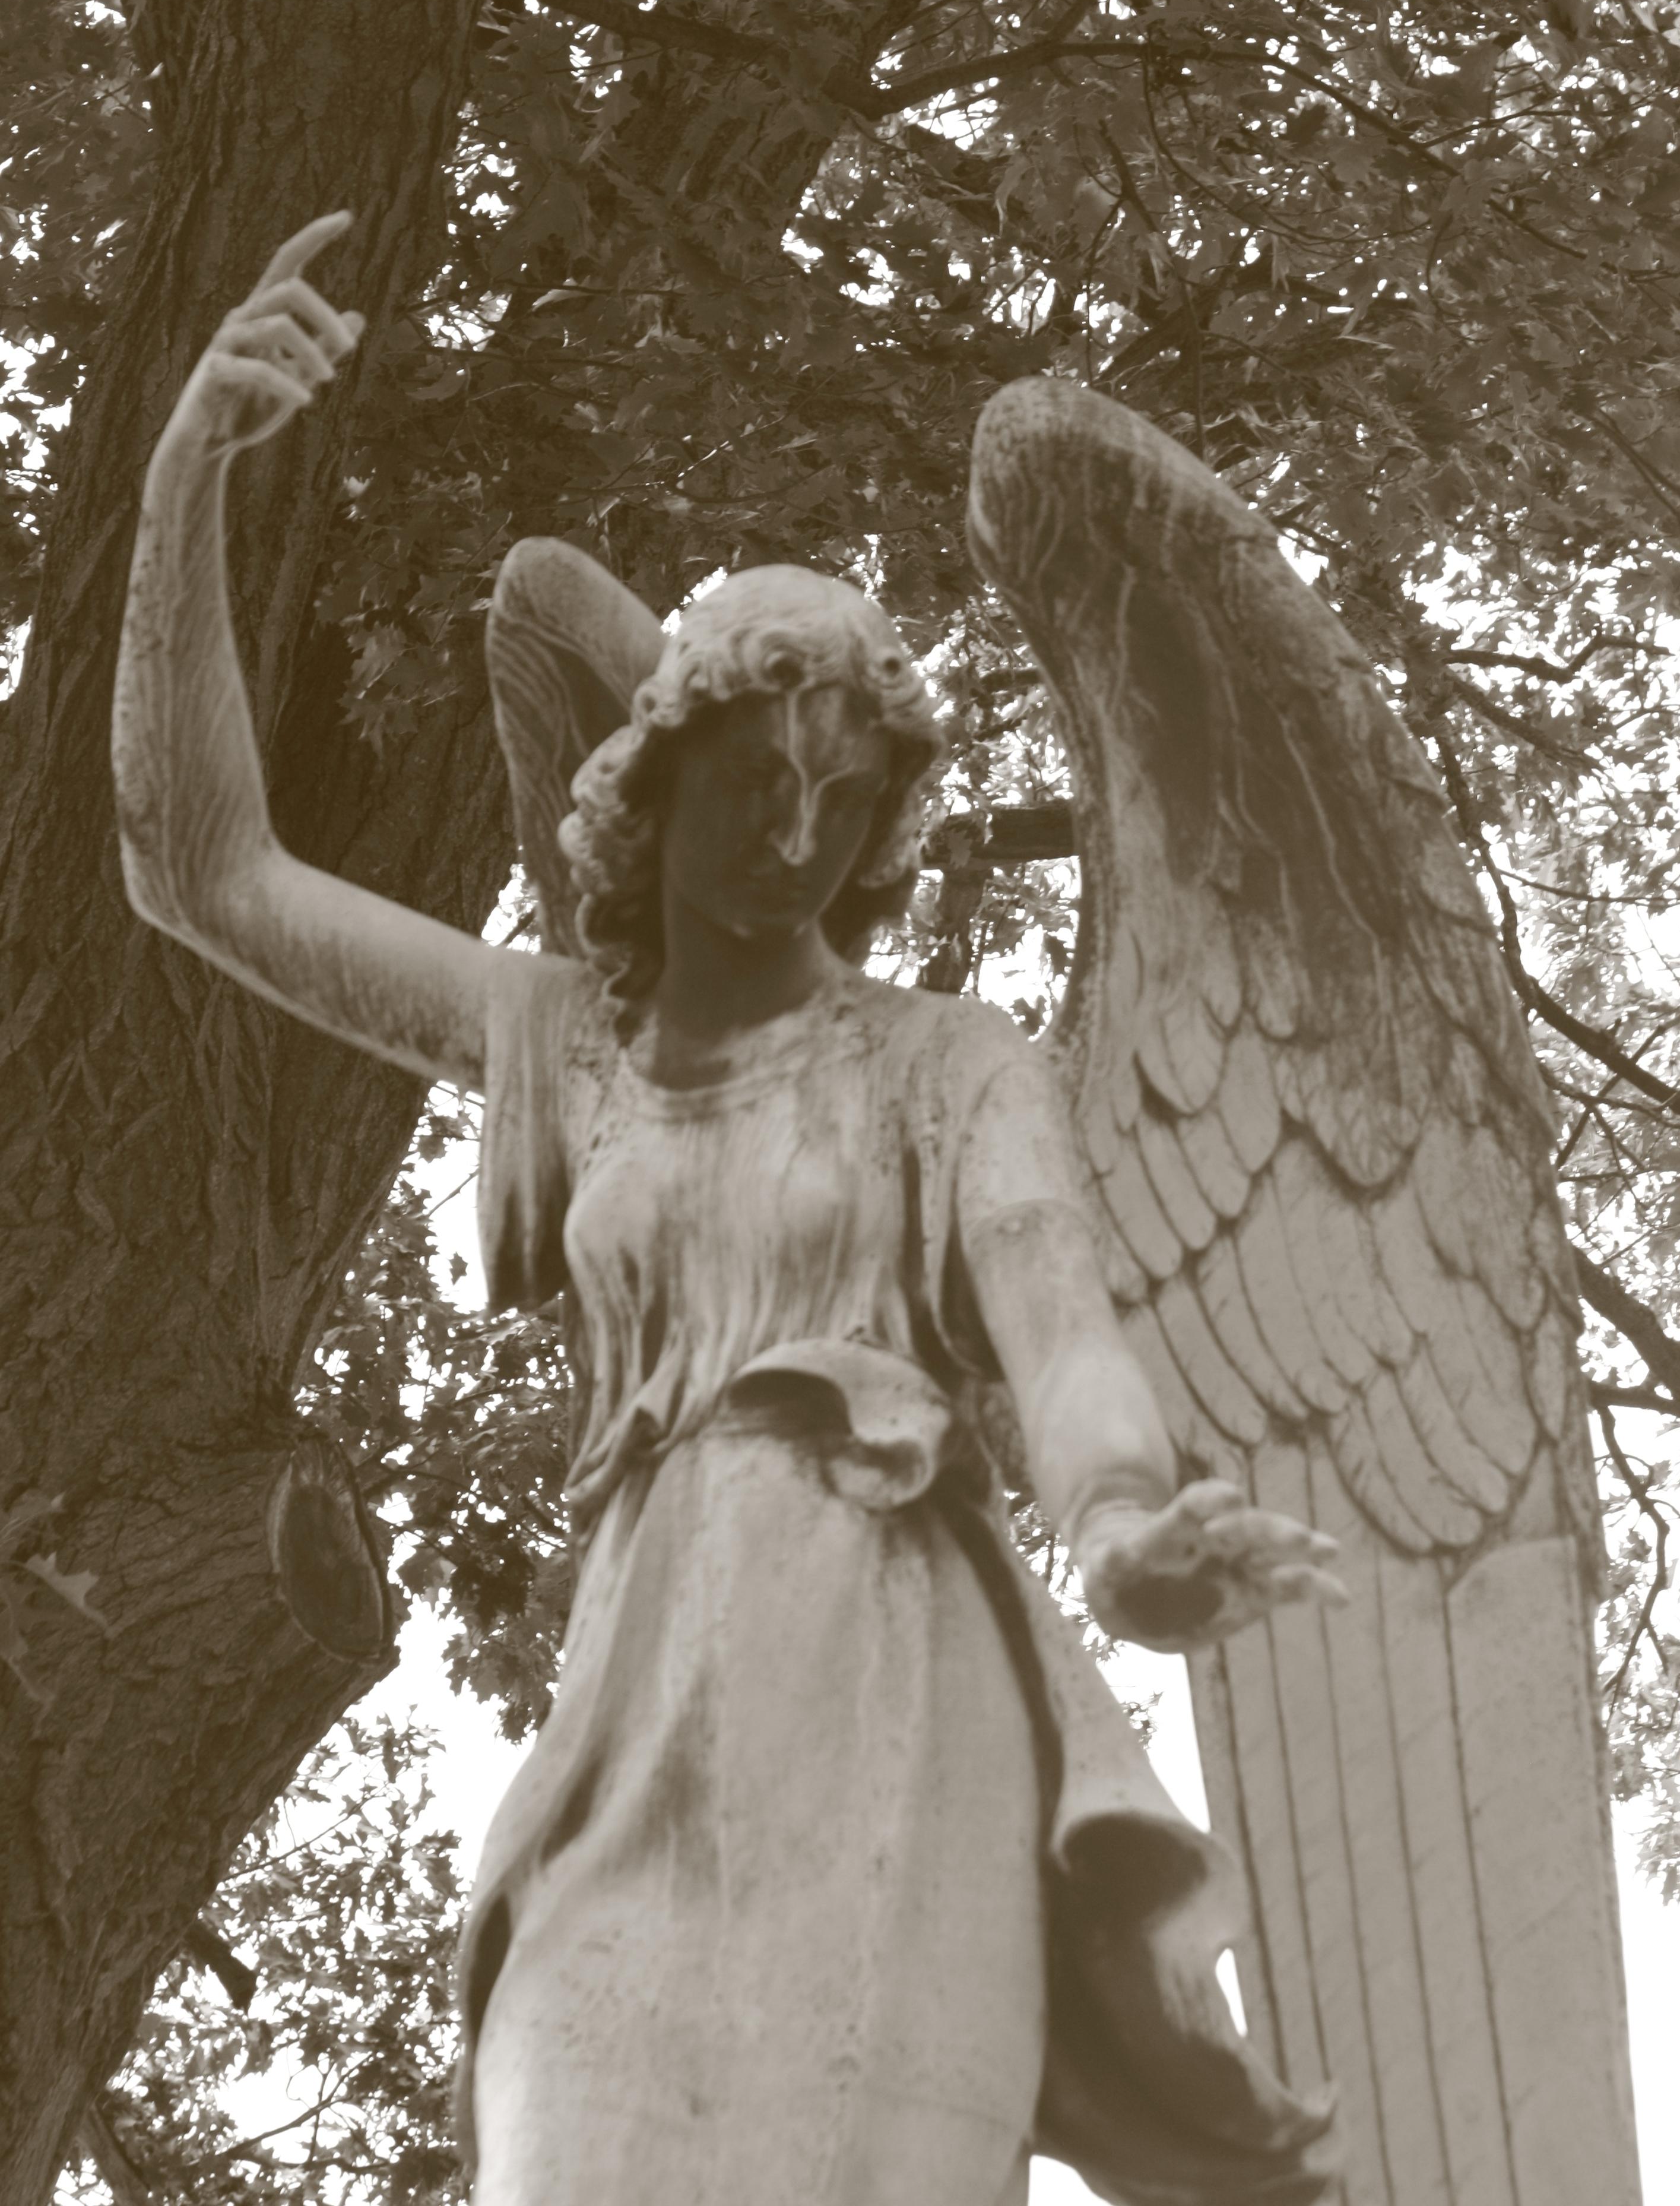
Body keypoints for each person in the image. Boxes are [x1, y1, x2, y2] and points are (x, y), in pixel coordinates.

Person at [114, 216, 1346, 2206]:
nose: (796, 834)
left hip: (886, 1656)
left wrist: (1125, 1526)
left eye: (844, 800)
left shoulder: (945, 1063)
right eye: (758, 779)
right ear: (660, 767)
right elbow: (205, 872)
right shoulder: (557, 1038)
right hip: (640, 1672)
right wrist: (186, 489)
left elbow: (1060, 1322)